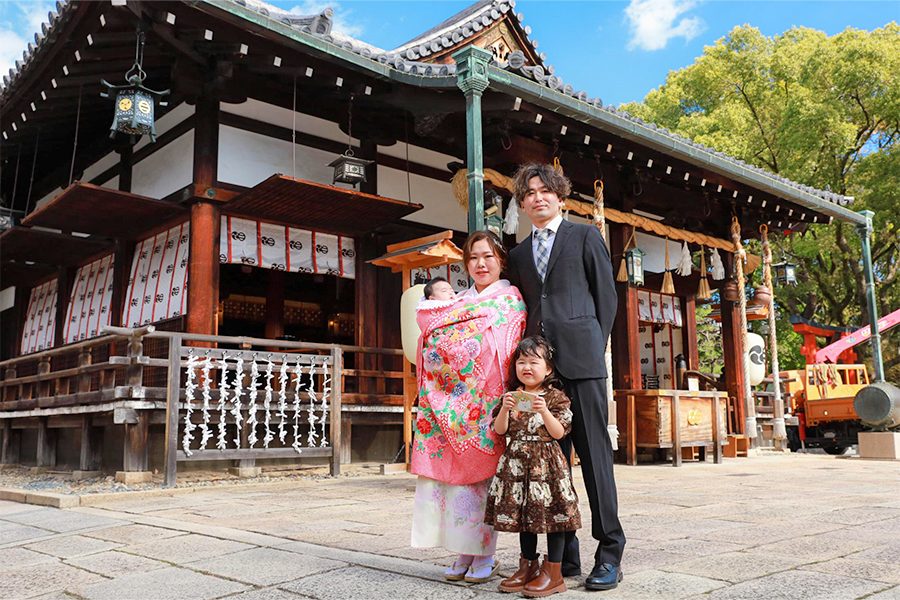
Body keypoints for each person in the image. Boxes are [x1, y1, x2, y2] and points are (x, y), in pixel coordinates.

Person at [506, 164, 626, 590]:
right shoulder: (518, 254)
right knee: (552, 466)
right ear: (521, 203)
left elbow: (606, 297)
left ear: (560, 196)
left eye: (546, 191)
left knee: (595, 462)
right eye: (530, 193)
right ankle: (565, 558)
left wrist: (594, 346)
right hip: (541, 375)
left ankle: (609, 552)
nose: (538, 198)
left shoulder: (585, 236)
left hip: (584, 364)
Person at [410, 230, 526, 583]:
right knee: (455, 483)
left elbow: (504, 348)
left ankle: (485, 554)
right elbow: (431, 339)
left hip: (483, 402)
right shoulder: (456, 301)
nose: (480, 264)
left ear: (500, 261)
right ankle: (464, 550)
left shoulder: (509, 301)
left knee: (479, 481)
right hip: (450, 398)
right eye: (473, 257)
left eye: (488, 256)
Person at [486, 336, 580, 598]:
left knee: (552, 516)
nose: (526, 367)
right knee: (524, 517)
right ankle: (527, 566)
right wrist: (504, 409)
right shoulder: (512, 396)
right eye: (521, 362)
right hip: (516, 464)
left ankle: (554, 572)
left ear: (548, 368)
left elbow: (560, 432)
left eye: (533, 362)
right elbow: (499, 430)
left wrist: (544, 411)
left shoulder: (555, 397)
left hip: (546, 465)